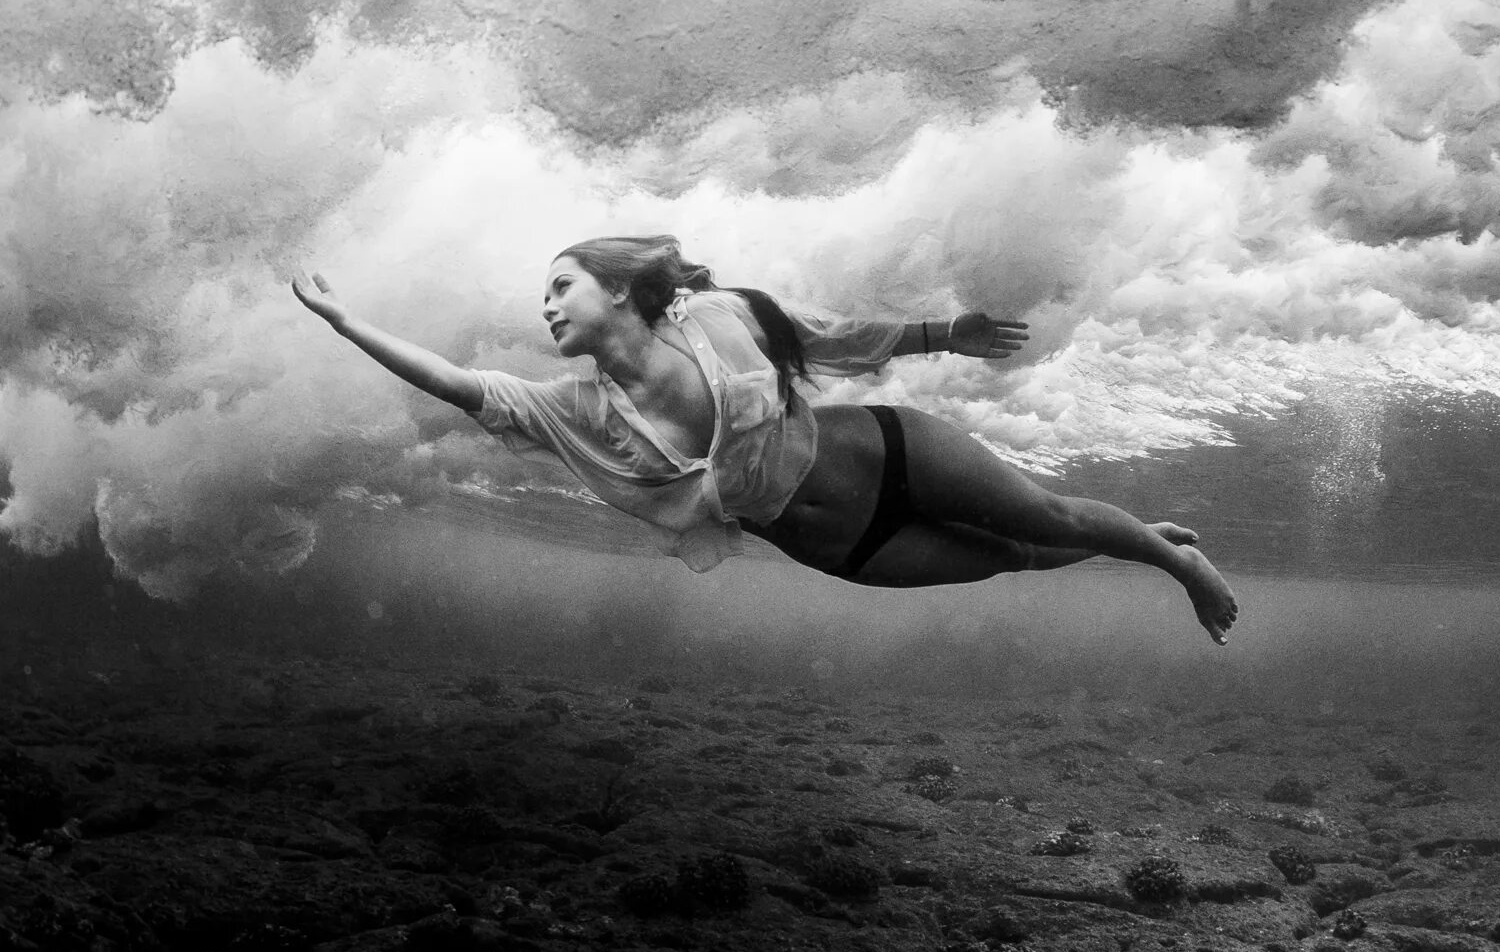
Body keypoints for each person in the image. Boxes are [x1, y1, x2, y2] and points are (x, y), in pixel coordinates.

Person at [292, 235, 1238, 643]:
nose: (546, 308)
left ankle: (1172, 562)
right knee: (1017, 561)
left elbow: (827, 337)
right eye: (542, 297)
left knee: (1056, 515)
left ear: (618, 288)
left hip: (885, 450)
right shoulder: (573, 410)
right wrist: (347, 324)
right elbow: (460, 386)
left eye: (561, 287)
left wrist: (942, 334)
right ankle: (1154, 542)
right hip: (843, 545)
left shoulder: (716, 312)